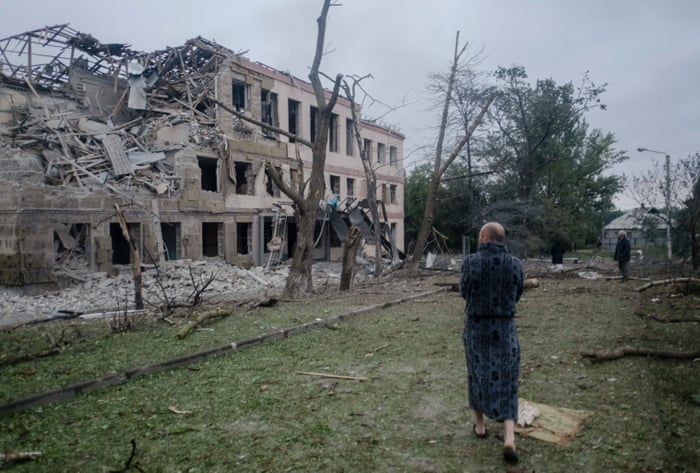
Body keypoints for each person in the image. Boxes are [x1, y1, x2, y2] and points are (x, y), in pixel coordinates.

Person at [459, 222, 524, 464]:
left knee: (477, 373)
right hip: (505, 327)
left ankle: (479, 425)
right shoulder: (516, 264)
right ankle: (509, 437)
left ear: (485, 237)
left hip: (476, 327)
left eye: (479, 235)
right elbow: (518, 293)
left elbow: (464, 291)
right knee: (508, 378)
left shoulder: (470, 262)